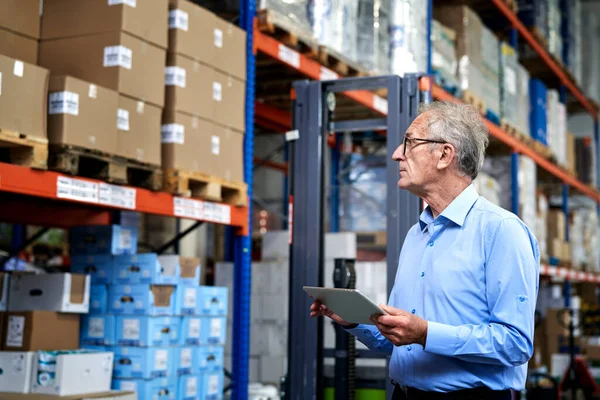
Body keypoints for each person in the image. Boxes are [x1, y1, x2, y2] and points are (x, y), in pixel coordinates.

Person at [310, 101, 540, 400]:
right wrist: (354, 321)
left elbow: (514, 344)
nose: (396, 154)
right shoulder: (416, 235)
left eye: (409, 142)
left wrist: (426, 333)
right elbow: (400, 342)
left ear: (445, 155)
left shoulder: (501, 231)